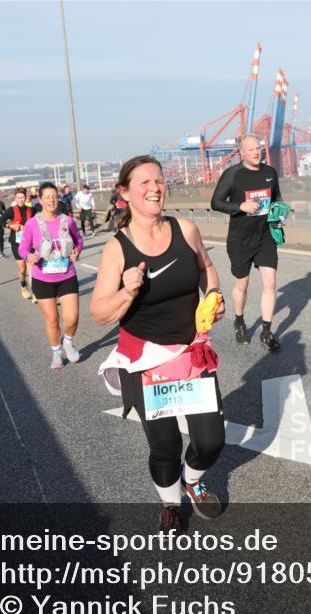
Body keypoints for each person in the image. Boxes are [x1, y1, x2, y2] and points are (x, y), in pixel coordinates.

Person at [91, 155, 226, 534]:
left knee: (211, 441)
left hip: (191, 352)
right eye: (144, 182)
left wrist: (213, 295)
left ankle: (192, 480)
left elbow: (205, 267)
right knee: (165, 446)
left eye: (159, 181)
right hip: (146, 362)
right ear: (124, 193)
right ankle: (170, 504)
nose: (155, 188)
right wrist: (127, 291)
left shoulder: (186, 229)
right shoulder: (118, 248)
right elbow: (99, 312)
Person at [210, 133, 283, 351]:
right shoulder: (233, 174)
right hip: (240, 239)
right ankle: (239, 320)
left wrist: (279, 216)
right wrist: (239, 206)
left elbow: (276, 199)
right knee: (242, 284)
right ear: (242, 153)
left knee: (270, 283)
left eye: (258, 148)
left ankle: (266, 332)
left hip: (265, 237)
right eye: (251, 149)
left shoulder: (270, 172)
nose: (256, 152)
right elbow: (216, 202)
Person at [19, 182, 84, 369]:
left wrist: (77, 251)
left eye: (54, 196)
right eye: (47, 197)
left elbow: (78, 240)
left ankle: (68, 342)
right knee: (52, 320)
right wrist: (28, 256)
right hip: (43, 278)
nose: (51, 200)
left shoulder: (67, 221)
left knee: (72, 318)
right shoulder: (32, 224)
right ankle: (56, 352)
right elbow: (23, 248)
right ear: (40, 200)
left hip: (66, 275)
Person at [2, 187, 36, 301]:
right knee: (22, 269)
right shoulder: (11, 210)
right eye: (18, 197)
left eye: (22, 197)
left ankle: (35, 293)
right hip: (16, 242)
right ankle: (23, 286)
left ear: (25, 197)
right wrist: (10, 225)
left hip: (30, 241)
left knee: (32, 267)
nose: (20, 199)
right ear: (15, 198)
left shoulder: (31, 210)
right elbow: (1, 221)